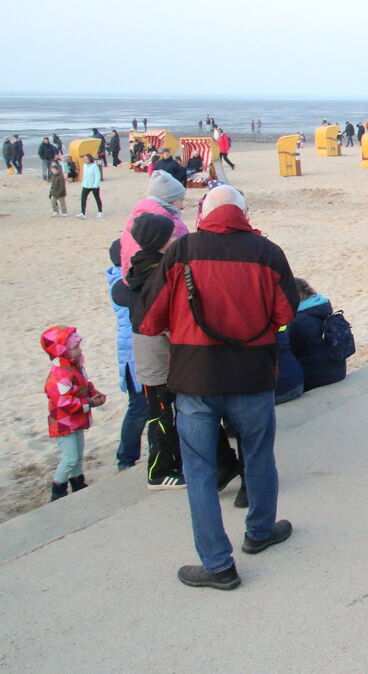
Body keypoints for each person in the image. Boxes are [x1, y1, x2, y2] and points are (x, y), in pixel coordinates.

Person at [138, 185, 299, 590]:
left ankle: (217, 563)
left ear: (203, 213)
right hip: (252, 374)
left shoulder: (182, 250)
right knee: (259, 454)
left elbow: (150, 320)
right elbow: (286, 312)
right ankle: (259, 532)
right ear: (244, 212)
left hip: (196, 377)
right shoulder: (268, 252)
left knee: (199, 469)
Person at [112, 214, 189, 489]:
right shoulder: (153, 273)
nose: (175, 240)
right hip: (156, 358)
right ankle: (159, 471)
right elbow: (160, 316)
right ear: (160, 241)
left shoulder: (141, 267)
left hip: (153, 355)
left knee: (166, 412)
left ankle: (174, 463)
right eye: (170, 236)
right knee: (161, 416)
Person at [41, 325, 107, 501]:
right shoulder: (59, 374)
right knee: (70, 457)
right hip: (63, 422)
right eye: (75, 347)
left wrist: (94, 393)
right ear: (62, 351)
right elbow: (64, 403)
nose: (80, 349)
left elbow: (84, 385)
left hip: (76, 419)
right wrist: (90, 402)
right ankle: (58, 488)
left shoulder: (75, 367)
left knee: (77, 455)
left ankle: (77, 482)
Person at [106, 239, 149, 470]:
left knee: (145, 406)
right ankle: (126, 458)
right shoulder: (121, 285)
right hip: (133, 354)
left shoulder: (121, 280)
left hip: (134, 350)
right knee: (139, 407)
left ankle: (129, 456)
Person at [287, 278, 349, 390]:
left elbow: (290, 351)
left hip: (316, 379)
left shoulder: (299, 321)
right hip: (338, 371)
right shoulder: (323, 309)